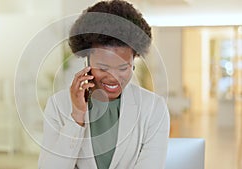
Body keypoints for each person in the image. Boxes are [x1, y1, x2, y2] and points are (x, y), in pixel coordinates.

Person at [38, 0, 170, 169]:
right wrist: (77, 118)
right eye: (103, 68)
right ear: (87, 59)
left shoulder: (153, 108)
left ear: (134, 60)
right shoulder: (58, 105)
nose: (113, 78)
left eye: (123, 67)